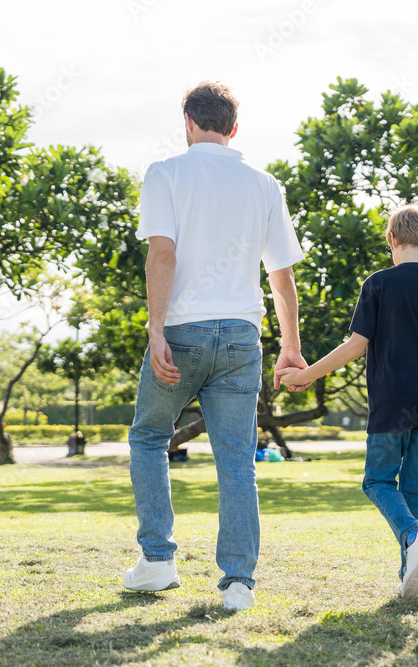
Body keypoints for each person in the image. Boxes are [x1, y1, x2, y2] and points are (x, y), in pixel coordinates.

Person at [124, 82, 309, 611]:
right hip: (241, 337)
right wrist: (290, 345)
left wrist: (156, 330)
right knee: (236, 462)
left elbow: (162, 256)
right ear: (234, 127)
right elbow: (281, 274)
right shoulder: (265, 183)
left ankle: (158, 561)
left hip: (182, 331)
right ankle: (238, 584)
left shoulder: (166, 173)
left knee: (149, 438)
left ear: (187, 120)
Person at [277, 200, 418, 599]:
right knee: (415, 491)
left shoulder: (377, 284)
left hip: (390, 403)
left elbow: (356, 345)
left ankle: (413, 537)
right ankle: (410, 579)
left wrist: (308, 375)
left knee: (377, 480)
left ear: (392, 239)